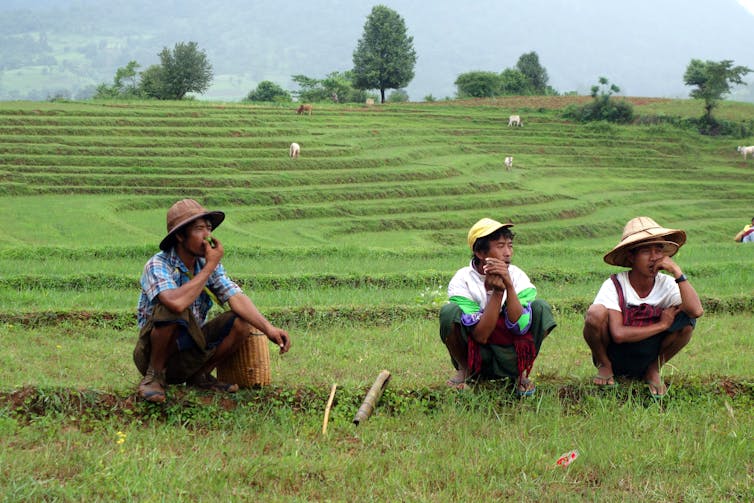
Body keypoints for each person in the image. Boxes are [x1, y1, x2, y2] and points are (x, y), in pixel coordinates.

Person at [134, 198, 291, 403]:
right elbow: (175, 303)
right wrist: (209, 267)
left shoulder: (206, 263)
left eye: (209, 228)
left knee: (241, 321)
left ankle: (200, 376)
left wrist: (269, 328)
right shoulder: (158, 264)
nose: (207, 236)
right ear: (180, 236)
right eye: (199, 229)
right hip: (154, 355)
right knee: (173, 309)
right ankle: (154, 377)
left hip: (191, 350)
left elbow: (234, 296)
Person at [582, 216, 703, 397]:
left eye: (659, 250)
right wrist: (662, 325)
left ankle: (654, 369)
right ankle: (604, 365)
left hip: (649, 356)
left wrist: (678, 272)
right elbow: (618, 334)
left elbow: (696, 311)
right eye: (646, 251)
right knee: (595, 313)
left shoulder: (668, 284)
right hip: (617, 355)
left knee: (687, 320)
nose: (654, 258)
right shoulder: (615, 284)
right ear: (631, 256)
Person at [439, 218, 557, 395]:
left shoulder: (518, 277)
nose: (508, 253)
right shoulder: (462, 280)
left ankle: (521, 371)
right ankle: (465, 369)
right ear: (480, 253)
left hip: (511, 351)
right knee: (449, 312)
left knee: (541, 308)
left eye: (510, 245)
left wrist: (508, 286)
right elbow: (480, 336)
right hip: (478, 354)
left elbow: (520, 327)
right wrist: (497, 293)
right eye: (500, 246)